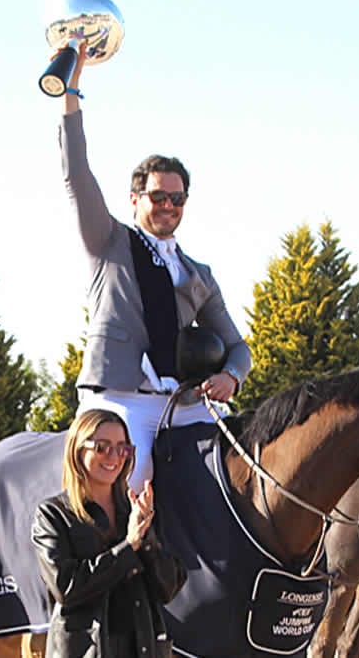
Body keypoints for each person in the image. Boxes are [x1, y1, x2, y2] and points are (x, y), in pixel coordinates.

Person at [56, 39, 251, 492]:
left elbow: (237, 346)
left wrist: (230, 376)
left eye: (176, 198)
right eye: (158, 196)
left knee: (241, 466)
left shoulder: (198, 274)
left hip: (184, 401)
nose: (168, 206)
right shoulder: (108, 241)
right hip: (121, 400)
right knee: (135, 476)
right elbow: (77, 173)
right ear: (135, 199)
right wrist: (70, 95)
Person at [31, 409, 187, 657]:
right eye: (102, 447)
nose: (114, 457)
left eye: (123, 449)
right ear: (77, 450)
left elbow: (168, 588)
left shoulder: (135, 510)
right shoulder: (52, 514)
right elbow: (67, 588)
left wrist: (146, 539)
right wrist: (129, 545)